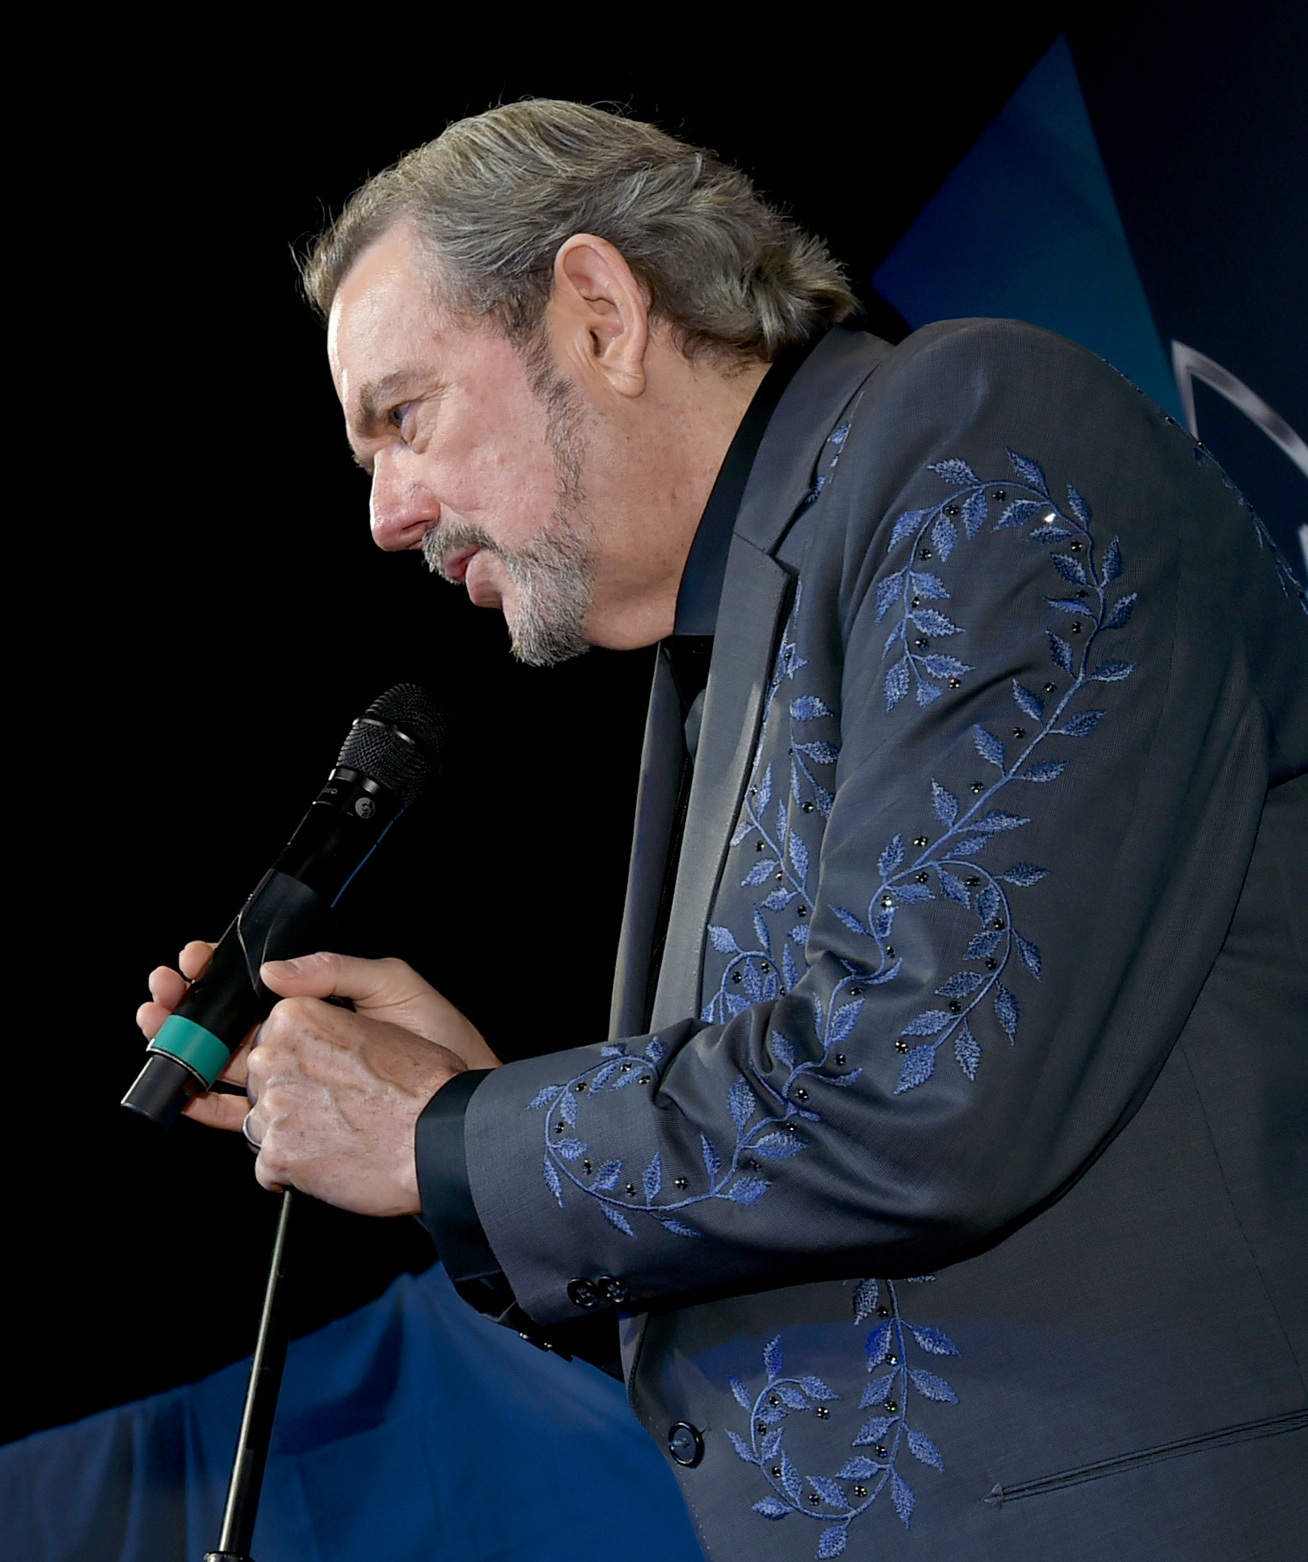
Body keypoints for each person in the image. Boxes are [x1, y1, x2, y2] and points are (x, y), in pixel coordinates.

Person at [134, 102, 1307, 1559]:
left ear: (602, 315)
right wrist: (462, 1105)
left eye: (403, 415)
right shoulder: (705, 675)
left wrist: (450, 1137)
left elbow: (917, 1078)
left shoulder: (974, 427)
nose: (384, 513)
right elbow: (794, 1240)